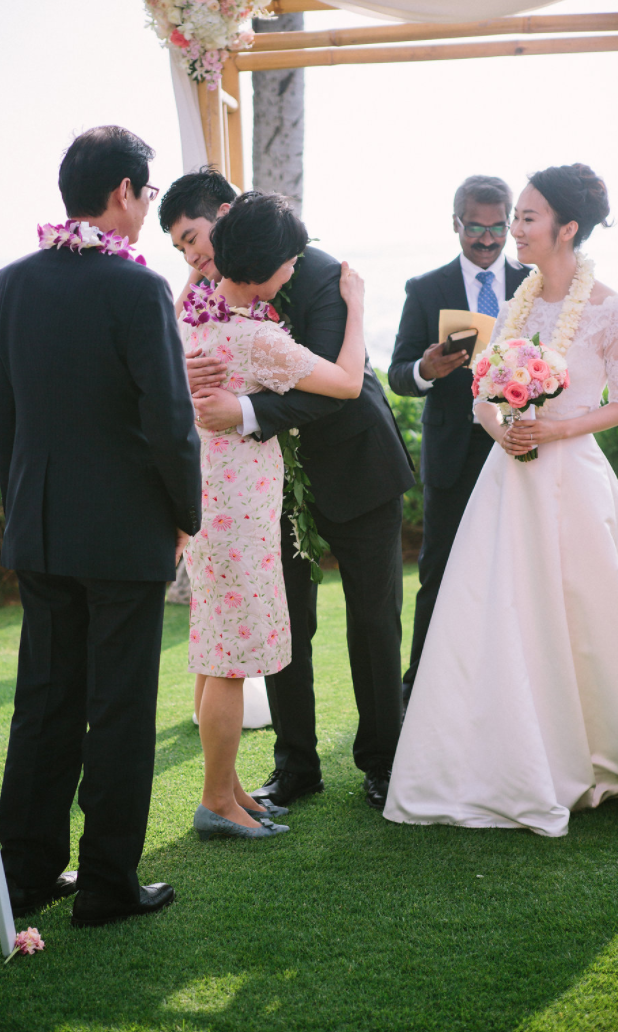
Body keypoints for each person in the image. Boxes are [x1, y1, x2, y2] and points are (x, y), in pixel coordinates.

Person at [0, 126, 202, 927]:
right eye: (147, 194)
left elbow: (6, 417)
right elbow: (169, 421)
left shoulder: (10, 283)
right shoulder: (137, 289)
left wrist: (23, 509)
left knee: (44, 703)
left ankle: (26, 873)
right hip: (124, 534)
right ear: (123, 192)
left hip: (41, 527)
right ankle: (108, 883)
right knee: (118, 707)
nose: (146, 209)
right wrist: (184, 515)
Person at [159, 171, 415, 813]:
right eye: (180, 248)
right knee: (285, 621)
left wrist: (244, 411)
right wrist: (186, 371)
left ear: (225, 217)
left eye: (193, 238)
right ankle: (296, 765)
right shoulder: (208, 291)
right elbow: (184, 348)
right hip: (264, 487)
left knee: (373, 621)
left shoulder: (319, 272)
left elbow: (333, 387)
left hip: (355, 465)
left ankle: (384, 761)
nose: (191, 257)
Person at [385, 164, 618, 837]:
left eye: (525, 217)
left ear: (566, 228)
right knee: (500, 610)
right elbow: (482, 390)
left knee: (586, 606)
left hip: (572, 475)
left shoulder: (605, 306)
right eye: (514, 217)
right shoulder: (514, 306)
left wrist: (556, 430)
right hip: (507, 476)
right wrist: (500, 427)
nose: (513, 230)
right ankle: (510, 753)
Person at [181, 192, 366, 840]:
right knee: (231, 661)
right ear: (266, 267)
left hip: (209, 505)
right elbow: (347, 382)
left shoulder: (197, 318)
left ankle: (230, 790)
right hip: (238, 515)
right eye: (289, 260)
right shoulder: (257, 337)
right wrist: (357, 307)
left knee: (216, 651)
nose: (294, 270)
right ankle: (216, 801)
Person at [389, 175, 530, 706]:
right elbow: (398, 372)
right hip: (453, 451)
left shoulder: (535, 282)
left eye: (498, 227)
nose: (488, 239)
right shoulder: (426, 289)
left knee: (517, 570)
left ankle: (510, 690)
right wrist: (425, 369)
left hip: (518, 444)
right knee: (440, 571)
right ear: (456, 224)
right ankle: (420, 692)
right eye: (476, 227)